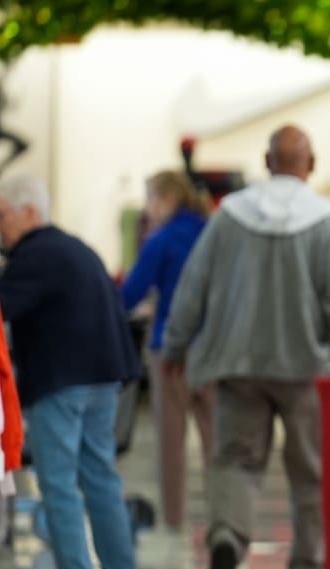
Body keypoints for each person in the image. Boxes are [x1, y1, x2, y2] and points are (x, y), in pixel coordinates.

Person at [162, 125, 330, 569]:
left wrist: (176, 345)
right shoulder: (328, 220)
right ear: (311, 164)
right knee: (310, 469)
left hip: (237, 363)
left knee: (235, 462)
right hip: (307, 367)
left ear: (267, 163)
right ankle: (310, 568)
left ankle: (227, 538)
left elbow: (193, 284)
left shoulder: (230, 216)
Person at [0, 174, 143, 569]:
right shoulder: (76, 248)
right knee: (100, 477)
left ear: (29, 211)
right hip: (105, 380)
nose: (0, 227)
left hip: (61, 383)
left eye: (2, 215)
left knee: (58, 481)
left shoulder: (33, 255)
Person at [120, 170, 214, 534]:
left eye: (151, 200)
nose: (148, 209)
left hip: (170, 350)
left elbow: (131, 292)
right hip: (211, 350)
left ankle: (175, 522)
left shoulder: (160, 239)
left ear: (167, 199)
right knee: (215, 442)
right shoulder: (210, 231)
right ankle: (220, 519)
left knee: (171, 444)